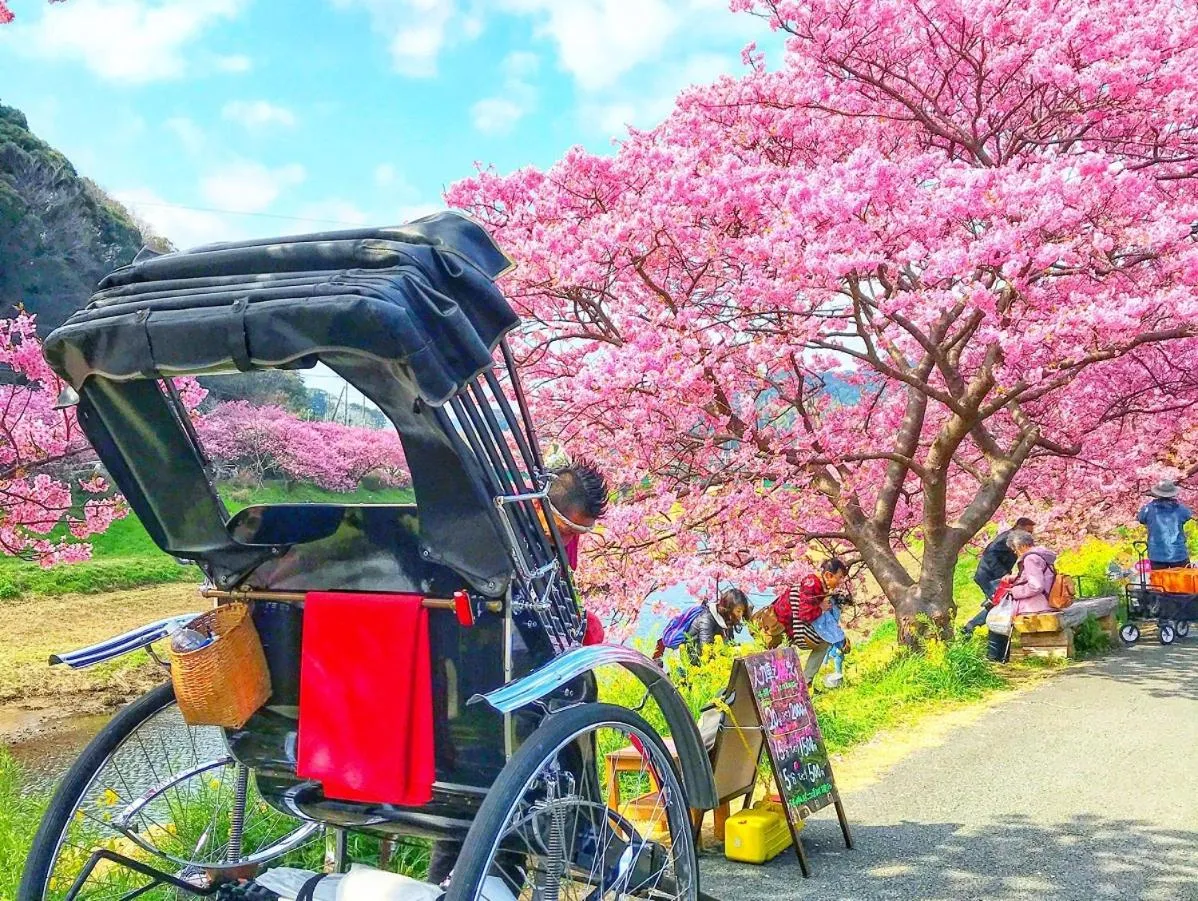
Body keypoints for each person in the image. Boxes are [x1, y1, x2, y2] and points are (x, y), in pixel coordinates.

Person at [428, 457, 610, 889]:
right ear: (547, 508)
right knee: (475, 800)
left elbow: (558, 599)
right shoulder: (501, 521)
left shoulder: (559, 538)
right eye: (568, 529)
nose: (571, 540)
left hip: (527, 663)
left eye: (579, 533)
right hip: (480, 658)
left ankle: (563, 831)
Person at [771, 559, 850, 684]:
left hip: (791, 626)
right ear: (828, 575)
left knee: (824, 642)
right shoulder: (812, 584)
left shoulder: (817, 585)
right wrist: (821, 608)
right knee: (824, 642)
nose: (841, 582)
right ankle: (805, 680)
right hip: (787, 626)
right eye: (839, 577)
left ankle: (804, 681)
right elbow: (805, 615)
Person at [960, 517, 1036, 637]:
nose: (1029, 535)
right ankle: (973, 628)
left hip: (995, 576)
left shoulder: (1015, 538)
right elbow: (989, 555)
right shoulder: (1005, 538)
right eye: (1028, 531)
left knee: (998, 603)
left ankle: (973, 627)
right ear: (1018, 527)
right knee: (1000, 603)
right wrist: (1003, 574)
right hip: (988, 576)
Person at [652, 588, 752, 666]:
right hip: (686, 662)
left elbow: (730, 644)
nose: (740, 615)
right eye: (738, 611)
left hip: (702, 663)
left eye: (742, 611)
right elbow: (706, 649)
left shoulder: (728, 621)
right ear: (729, 608)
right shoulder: (706, 619)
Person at [1138, 481, 1192, 570]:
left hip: (1156, 554)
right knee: (1183, 581)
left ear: (1157, 493)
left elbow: (1141, 518)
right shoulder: (1180, 509)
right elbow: (1188, 515)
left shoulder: (1148, 509)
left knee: (1159, 582)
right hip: (1178, 552)